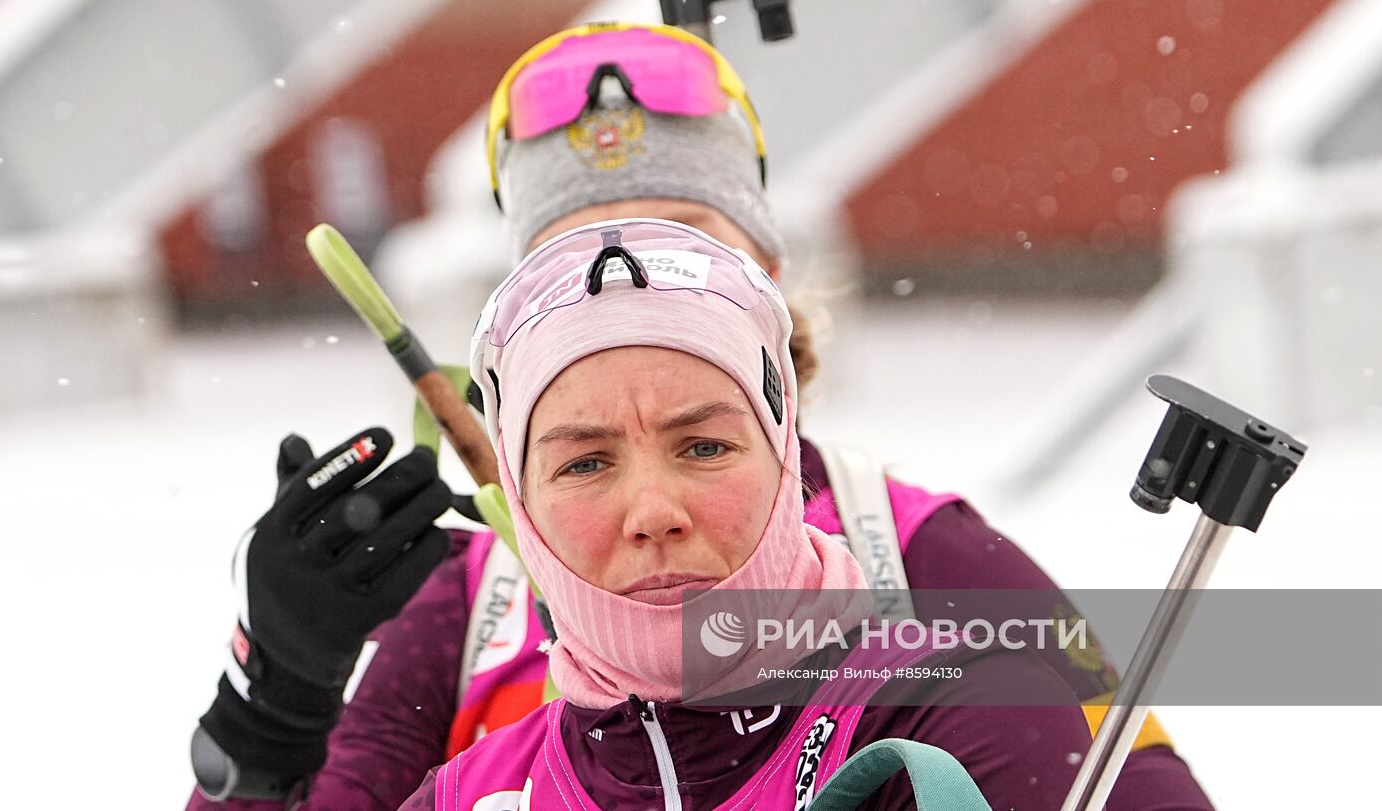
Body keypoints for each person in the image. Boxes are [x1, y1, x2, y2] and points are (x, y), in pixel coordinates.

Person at [187, 23, 1212, 809]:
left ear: (765, 281)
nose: (625, 295)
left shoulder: (911, 552)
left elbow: (1115, 767)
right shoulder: (474, 607)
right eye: (576, 261)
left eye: (680, 246)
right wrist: (273, 696)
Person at [402, 216, 1095, 808]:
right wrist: (294, 692)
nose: (654, 511)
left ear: (786, 461)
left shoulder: (962, 715)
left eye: (704, 447)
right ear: (524, 505)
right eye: (585, 463)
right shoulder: (469, 794)